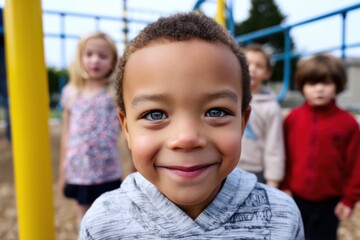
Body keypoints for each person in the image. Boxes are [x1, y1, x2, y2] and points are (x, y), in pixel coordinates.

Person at [79, 12, 304, 239]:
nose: (186, 138)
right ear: (126, 129)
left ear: (242, 123)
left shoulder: (282, 217)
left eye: (216, 112)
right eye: (155, 114)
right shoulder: (102, 224)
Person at [281, 53, 360, 240]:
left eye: (326, 83)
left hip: (330, 202)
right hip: (295, 198)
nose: (319, 89)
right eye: (312, 83)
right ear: (302, 85)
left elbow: (356, 165)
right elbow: (284, 155)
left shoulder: (348, 123)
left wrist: (350, 200)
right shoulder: (292, 119)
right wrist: (284, 186)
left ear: (338, 84)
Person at [59, 32, 122, 225]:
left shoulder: (113, 94)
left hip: (107, 169)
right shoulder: (71, 92)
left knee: (108, 216)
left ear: (112, 62)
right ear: (80, 58)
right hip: (80, 169)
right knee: (84, 215)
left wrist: (133, 166)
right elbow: (66, 133)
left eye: (102, 56)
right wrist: (63, 169)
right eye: (89, 54)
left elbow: (127, 128)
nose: (95, 60)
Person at [237, 44, 285, 188]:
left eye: (259, 65)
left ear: (267, 73)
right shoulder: (227, 98)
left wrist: (273, 181)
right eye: (247, 63)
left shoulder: (271, 107)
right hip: (226, 168)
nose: (252, 68)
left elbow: (274, 146)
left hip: (255, 172)